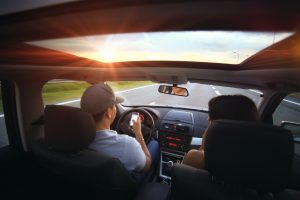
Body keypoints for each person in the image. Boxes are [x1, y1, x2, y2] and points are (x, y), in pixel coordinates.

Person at [80, 82, 159, 173]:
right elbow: (147, 165)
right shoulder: (127, 145)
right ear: (108, 113)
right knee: (154, 143)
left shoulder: (73, 140)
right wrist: (138, 133)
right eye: (114, 105)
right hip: (131, 184)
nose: (116, 108)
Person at [182, 95, 259, 169]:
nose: (207, 119)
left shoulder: (197, 158)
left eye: (211, 119)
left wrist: (205, 143)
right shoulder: (261, 158)